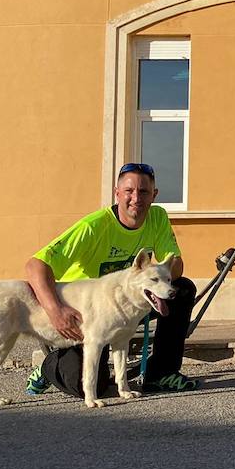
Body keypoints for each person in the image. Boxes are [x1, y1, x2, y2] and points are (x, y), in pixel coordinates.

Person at [25, 163, 199, 397]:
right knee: (92, 387)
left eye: (144, 192)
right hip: (82, 314)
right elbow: (35, 266)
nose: (136, 198)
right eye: (129, 191)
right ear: (117, 193)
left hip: (124, 306)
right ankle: (49, 367)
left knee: (182, 289)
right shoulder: (93, 227)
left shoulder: (157, 217)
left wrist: (165, 269)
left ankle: (161, 373)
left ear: (154, 195)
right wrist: (55, 311)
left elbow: (175, 267)